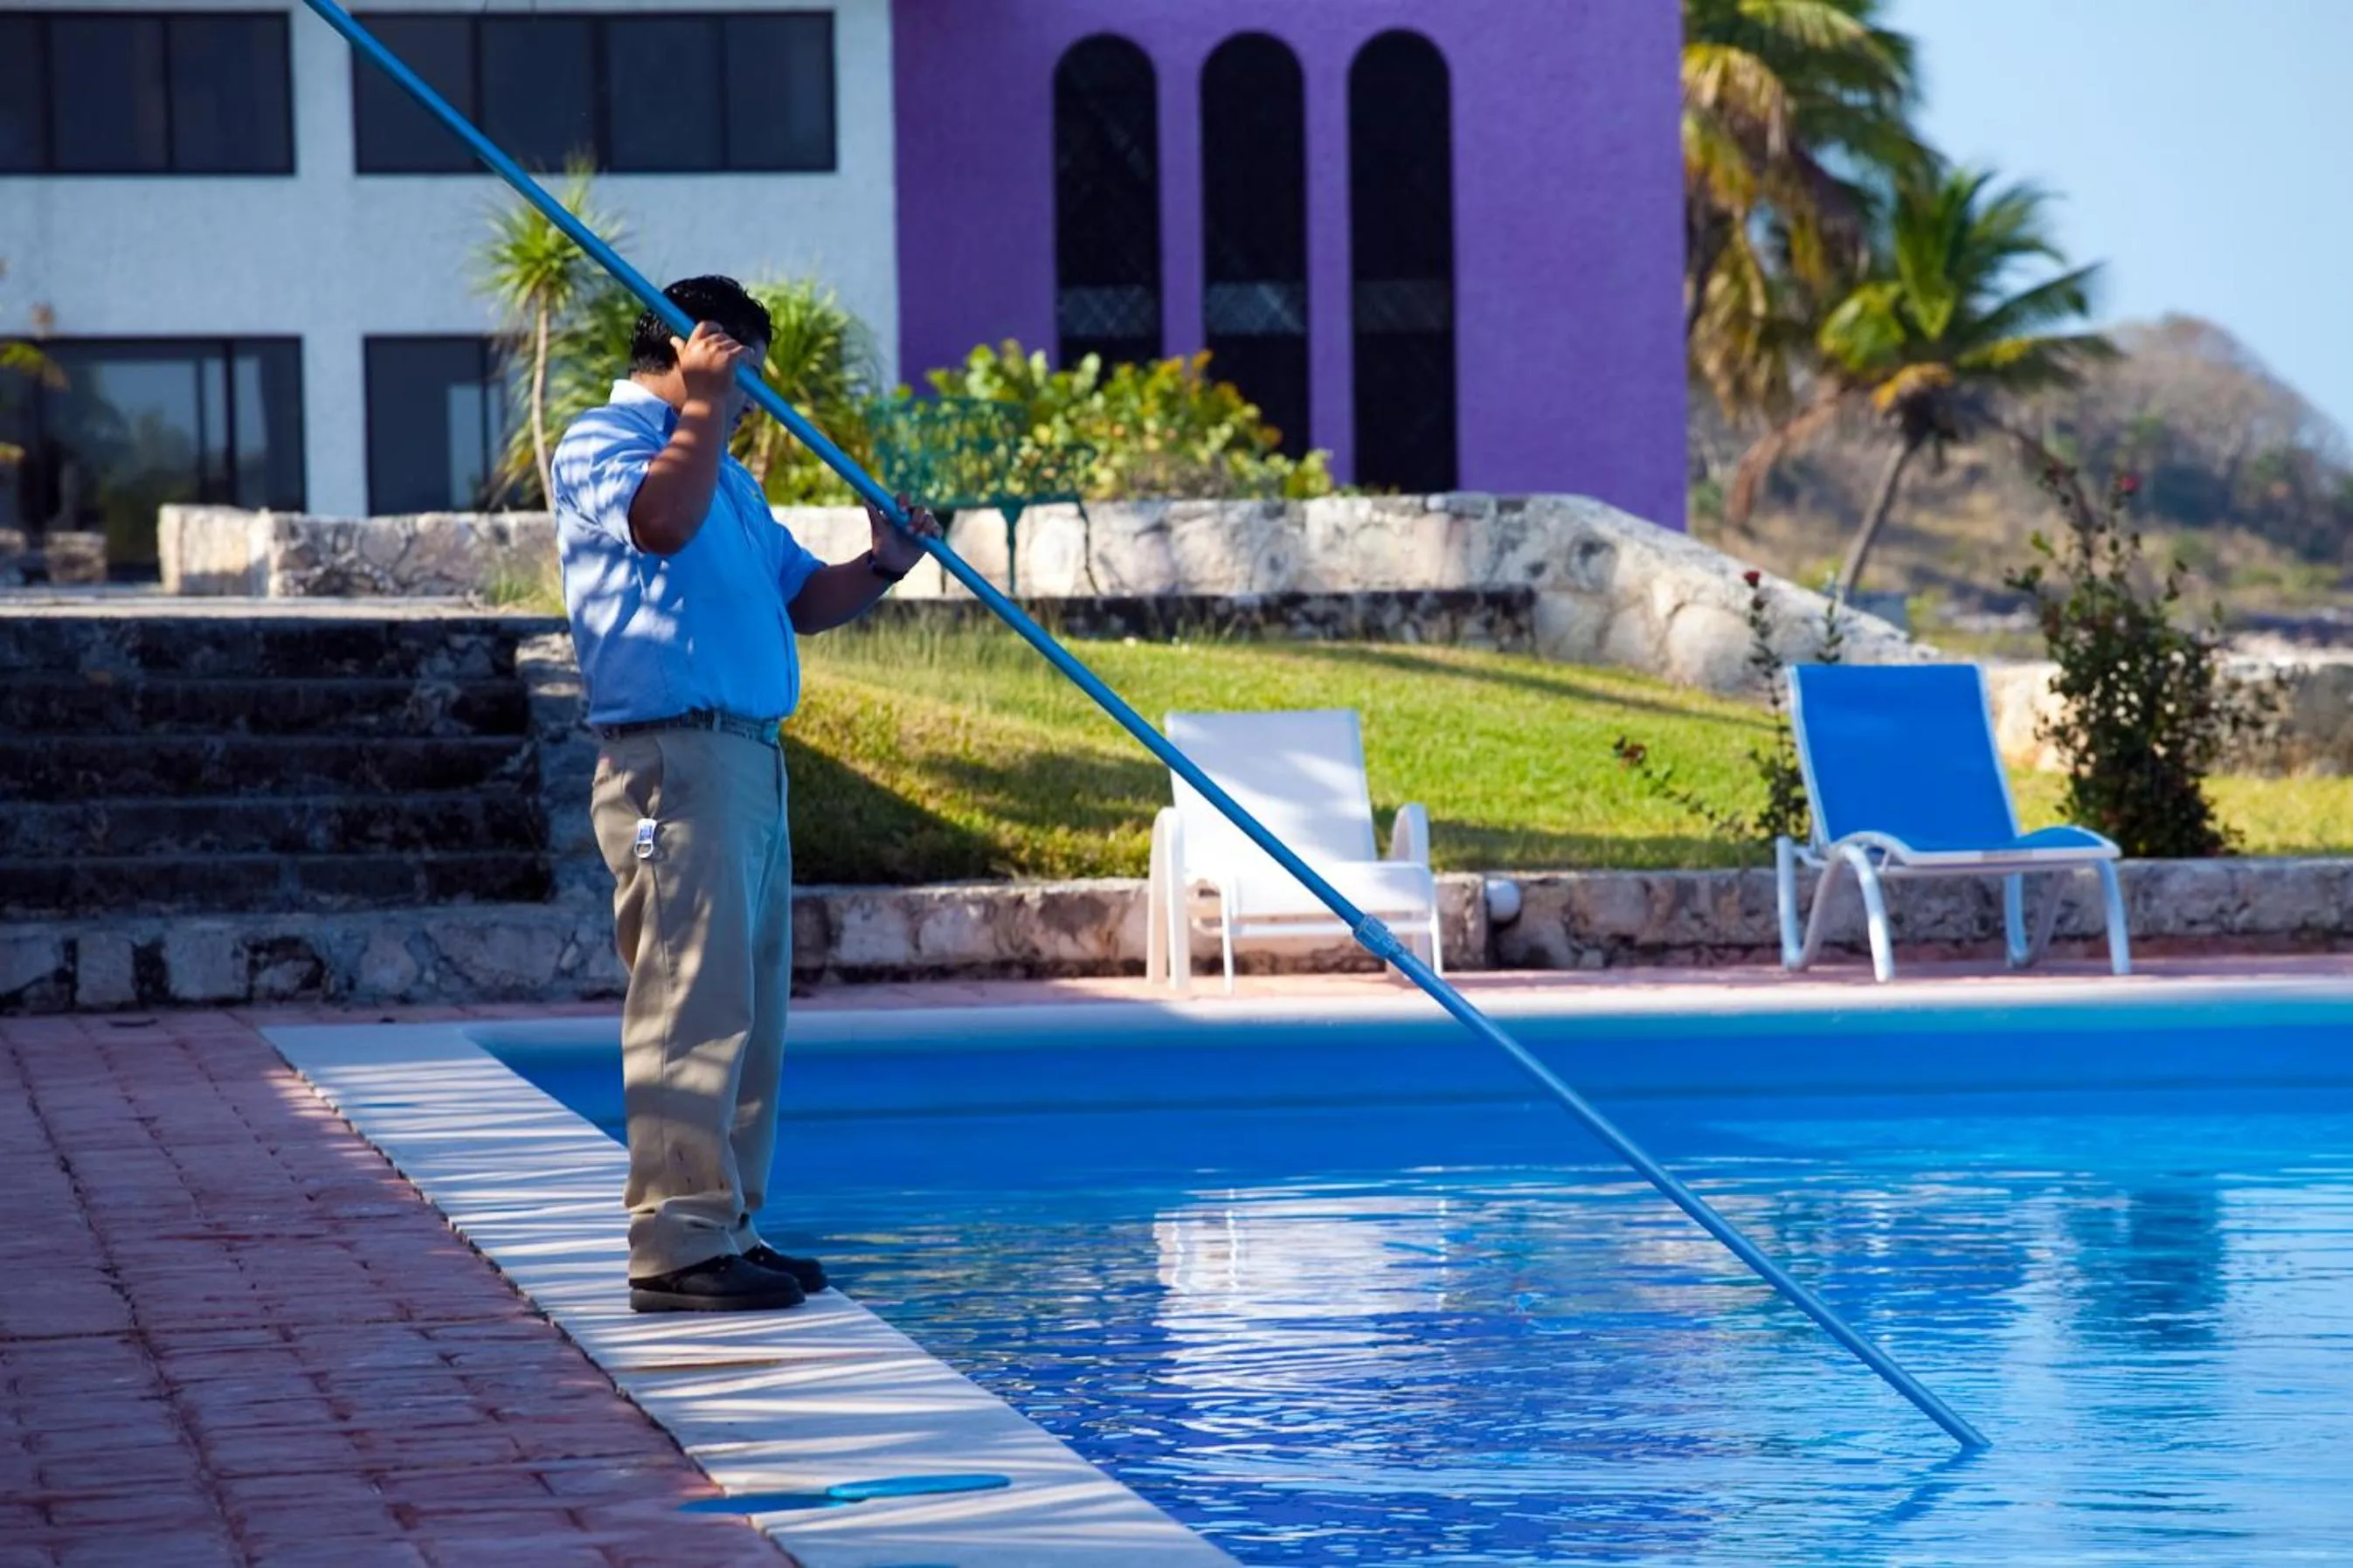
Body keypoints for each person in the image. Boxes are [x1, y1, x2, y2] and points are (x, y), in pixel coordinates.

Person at [550, 274, 939, 1313]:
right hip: (672, 762)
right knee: (688, 1000)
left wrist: (883, 564)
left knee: (749, 1010)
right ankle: (674, 1245)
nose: (753, 399)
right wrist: (705, 408)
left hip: (748, 760)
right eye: (743, 373)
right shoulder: (608, 441)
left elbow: (801, 597)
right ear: (694, 350)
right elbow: (657, 526)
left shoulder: (725, 473)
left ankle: (726, 1225)